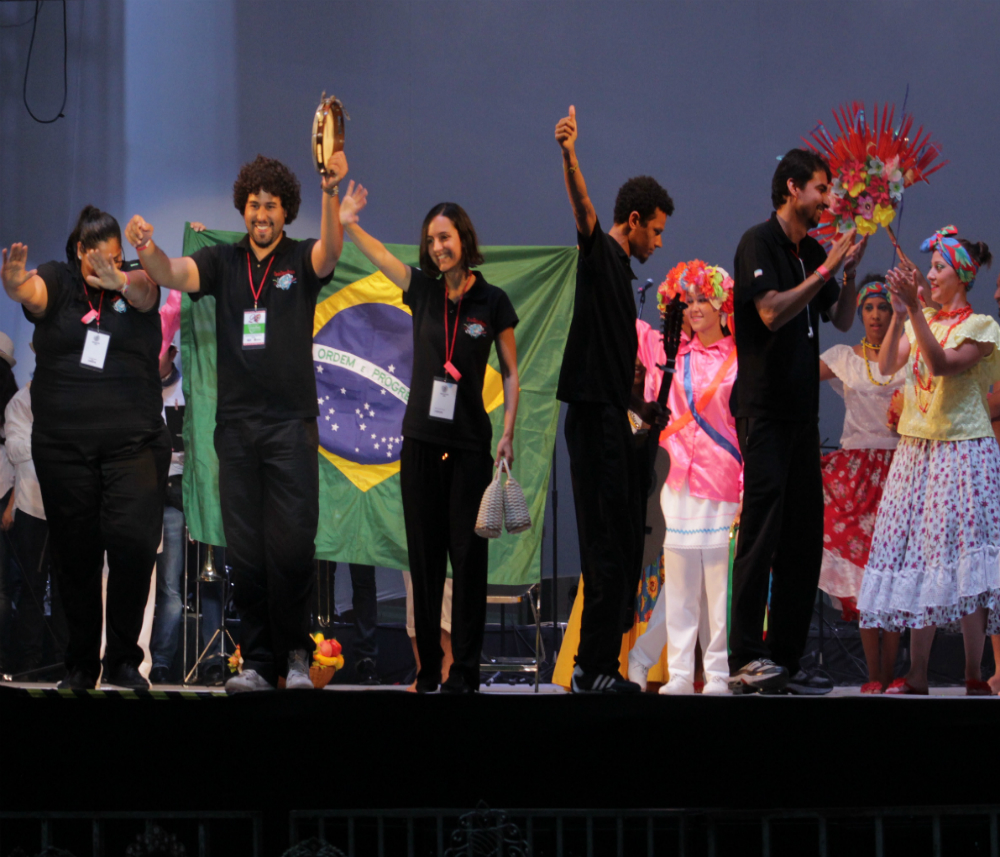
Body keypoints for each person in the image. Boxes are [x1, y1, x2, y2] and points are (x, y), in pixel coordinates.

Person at [125, 152, 348, 693]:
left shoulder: (299, 257)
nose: (262, 213)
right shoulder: (223, 262)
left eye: (271, 205)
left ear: (285, 210)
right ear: (243, 208)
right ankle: (255, 660)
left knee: (292, 548)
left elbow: (331, 250)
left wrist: (331, 190)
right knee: (246, 552)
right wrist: (145, 247)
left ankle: (296, 658)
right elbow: (170, 273)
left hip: (291, 428)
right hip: (238, 430)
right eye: (254, 204)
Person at [338, 183, 520, 693]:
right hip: (419, 441)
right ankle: (426, 673)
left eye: (445, 237)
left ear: (463, 237)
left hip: (468, 448)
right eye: (431, 240)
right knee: (423, 558)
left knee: (467, 559)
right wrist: (350, 223)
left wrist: (506, 433)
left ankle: (463, 670)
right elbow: (379, 257)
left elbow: (510, 373)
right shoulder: (422, 290)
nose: (438, 247)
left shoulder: (493, 301)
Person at [1, 206, 168, 690]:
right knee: (75, 558)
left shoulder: (135, 281)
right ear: (79, 252)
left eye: (117, 257)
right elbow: (32, 295)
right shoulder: (59, 279)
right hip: (64, 449)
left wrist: (120, 278)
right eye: (100, 259)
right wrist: (14, 285)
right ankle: (79, 664)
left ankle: (122, 658)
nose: (111, 266)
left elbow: (142, 293)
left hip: (133, 446)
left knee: (135, 547)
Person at [729, 149, 866, 694]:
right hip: (762, 410)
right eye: (821, 188)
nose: (828, 198)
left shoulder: (813, 249)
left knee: (805, 539)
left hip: (802, 415)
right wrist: (828, 268)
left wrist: (847, 273)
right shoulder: (757, 242)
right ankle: (746, 656)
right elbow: (769, 311)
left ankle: (784, 658)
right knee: (762, 534)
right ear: (792, 188)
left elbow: (841, 317)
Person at [554, 105, 674, 694]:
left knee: (622, 543)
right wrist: (571, 154)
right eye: (655, 229)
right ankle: (593, 668)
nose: (658, 240)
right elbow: (583, 210)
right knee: (604, 544)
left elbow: (611, 368)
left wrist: (641, 406)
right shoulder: (602, 254)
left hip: (612, 417)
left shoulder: (623, 284)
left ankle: (594, 663)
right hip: (592, 421)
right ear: (633, 220)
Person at [858, 228, 1000, 696]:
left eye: (938, 268)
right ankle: (917, 674)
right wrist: (900, 315)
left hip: (962, 451)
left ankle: (974, 673)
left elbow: (939, 364)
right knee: (920, 560)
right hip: (918, 451)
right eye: (931, 267)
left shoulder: (981, 327)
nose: (931, 275)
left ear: (960, 275)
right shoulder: (925, 319)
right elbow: (883, 367)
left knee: (964, 566)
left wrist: (916, 311)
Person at [627, 262, 740, 695]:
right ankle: (676, 674)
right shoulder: (666, 350)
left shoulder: (739, 357)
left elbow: (745, 427)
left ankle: (716, 674)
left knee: (717, 587)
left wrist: (748, 487)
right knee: (678, 585)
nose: (695, 307)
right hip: (675, 481)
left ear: (722, 304)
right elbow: (623, 322)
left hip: (723, 478)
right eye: (687, 300)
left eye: (703, 299)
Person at [817, 276, 905, 692]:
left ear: (894, 313)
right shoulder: (845, 357)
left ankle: (891, 674)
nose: (874, 315)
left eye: (882, 307)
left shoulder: (912, 356)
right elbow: (794, 376)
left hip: (901, 470)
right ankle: (874, 675)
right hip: (856, 476)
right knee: (868, 579)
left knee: (897, 576)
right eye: (868, 307)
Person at [5, 377, 68, 679]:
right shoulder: (20, 401)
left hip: (69, 506)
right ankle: (28, 660)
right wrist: (48, 442)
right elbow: (15, 449)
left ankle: (64, 659)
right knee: (31, 586)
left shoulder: (70, 394)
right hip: (32, 506)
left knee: (65, 589)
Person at [0, 334, 19, 672]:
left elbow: (21, 464)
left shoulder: (13, 406)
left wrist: (11, 505)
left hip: (5, 495)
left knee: (3, 583)